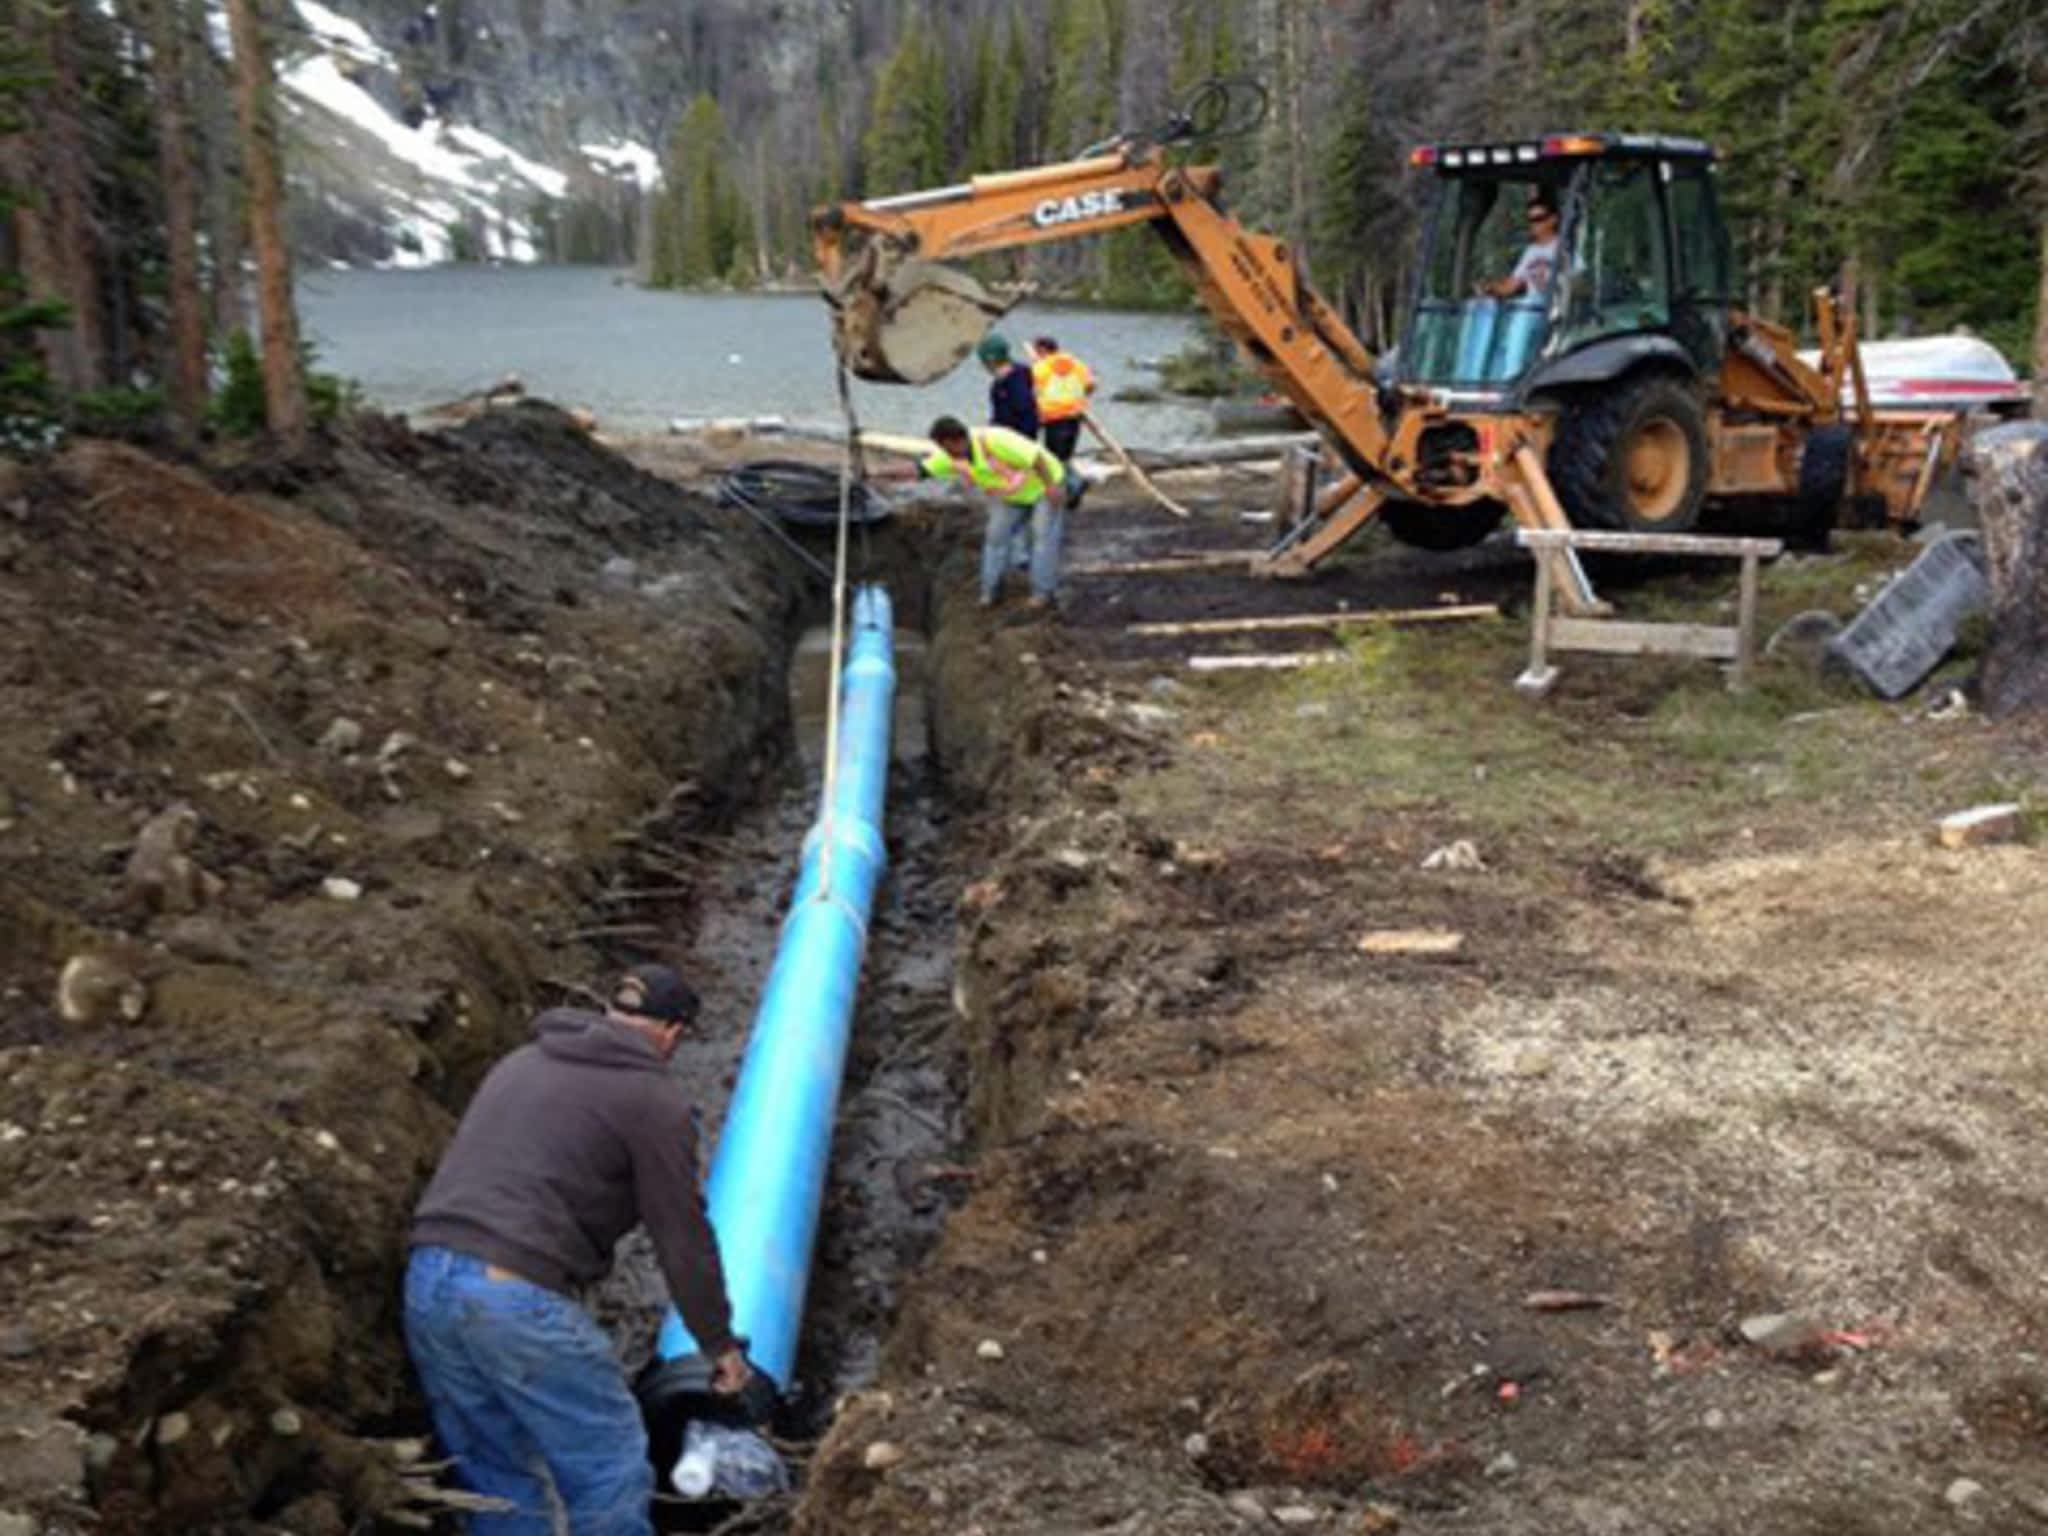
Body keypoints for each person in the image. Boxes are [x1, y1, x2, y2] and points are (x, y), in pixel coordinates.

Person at [404, 964, 748, 1536]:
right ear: (673, 1033)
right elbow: (681, 1234)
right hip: (510, 1296)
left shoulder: (522, 1062)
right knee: (606, 1459)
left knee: (493, 1470)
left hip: (427, 1282)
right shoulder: (651, 1101)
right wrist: (718, 1342)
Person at [918, 414, 1070, 610]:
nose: (949, 455)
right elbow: (920, 470)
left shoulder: (997, 440)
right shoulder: (953, 454)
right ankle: (990, 592)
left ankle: (1042, 593)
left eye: (948, 449)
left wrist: (1051, 486)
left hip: (1044, 485)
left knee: (1042, 537)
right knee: (995, 537)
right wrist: (875, 473)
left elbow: (1036, 457)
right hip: (1010, 494)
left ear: (958, 440)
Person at [1030, 335, 1094, 510]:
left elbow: (1031, 389)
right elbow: (1090, 385)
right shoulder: (1077, 364)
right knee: (1064, 456)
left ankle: (1075, 484)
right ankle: (1071, 493)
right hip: (1074, 416)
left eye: (1037, 350)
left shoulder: (1041, 367)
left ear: (1042, 350)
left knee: (1054, 460)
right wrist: (1078, 398)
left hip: (1053, 417)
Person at [1481, 191, 1562, 299]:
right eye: (1530, 220)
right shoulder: (1531, 251)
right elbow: (1513, 284)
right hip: (1529, 310)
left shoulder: (1565, 247)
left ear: (1553, 219)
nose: (1533, 224)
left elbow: (1580, 284)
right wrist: (1492, 288)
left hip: (1552, 311)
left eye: (1538, 219)